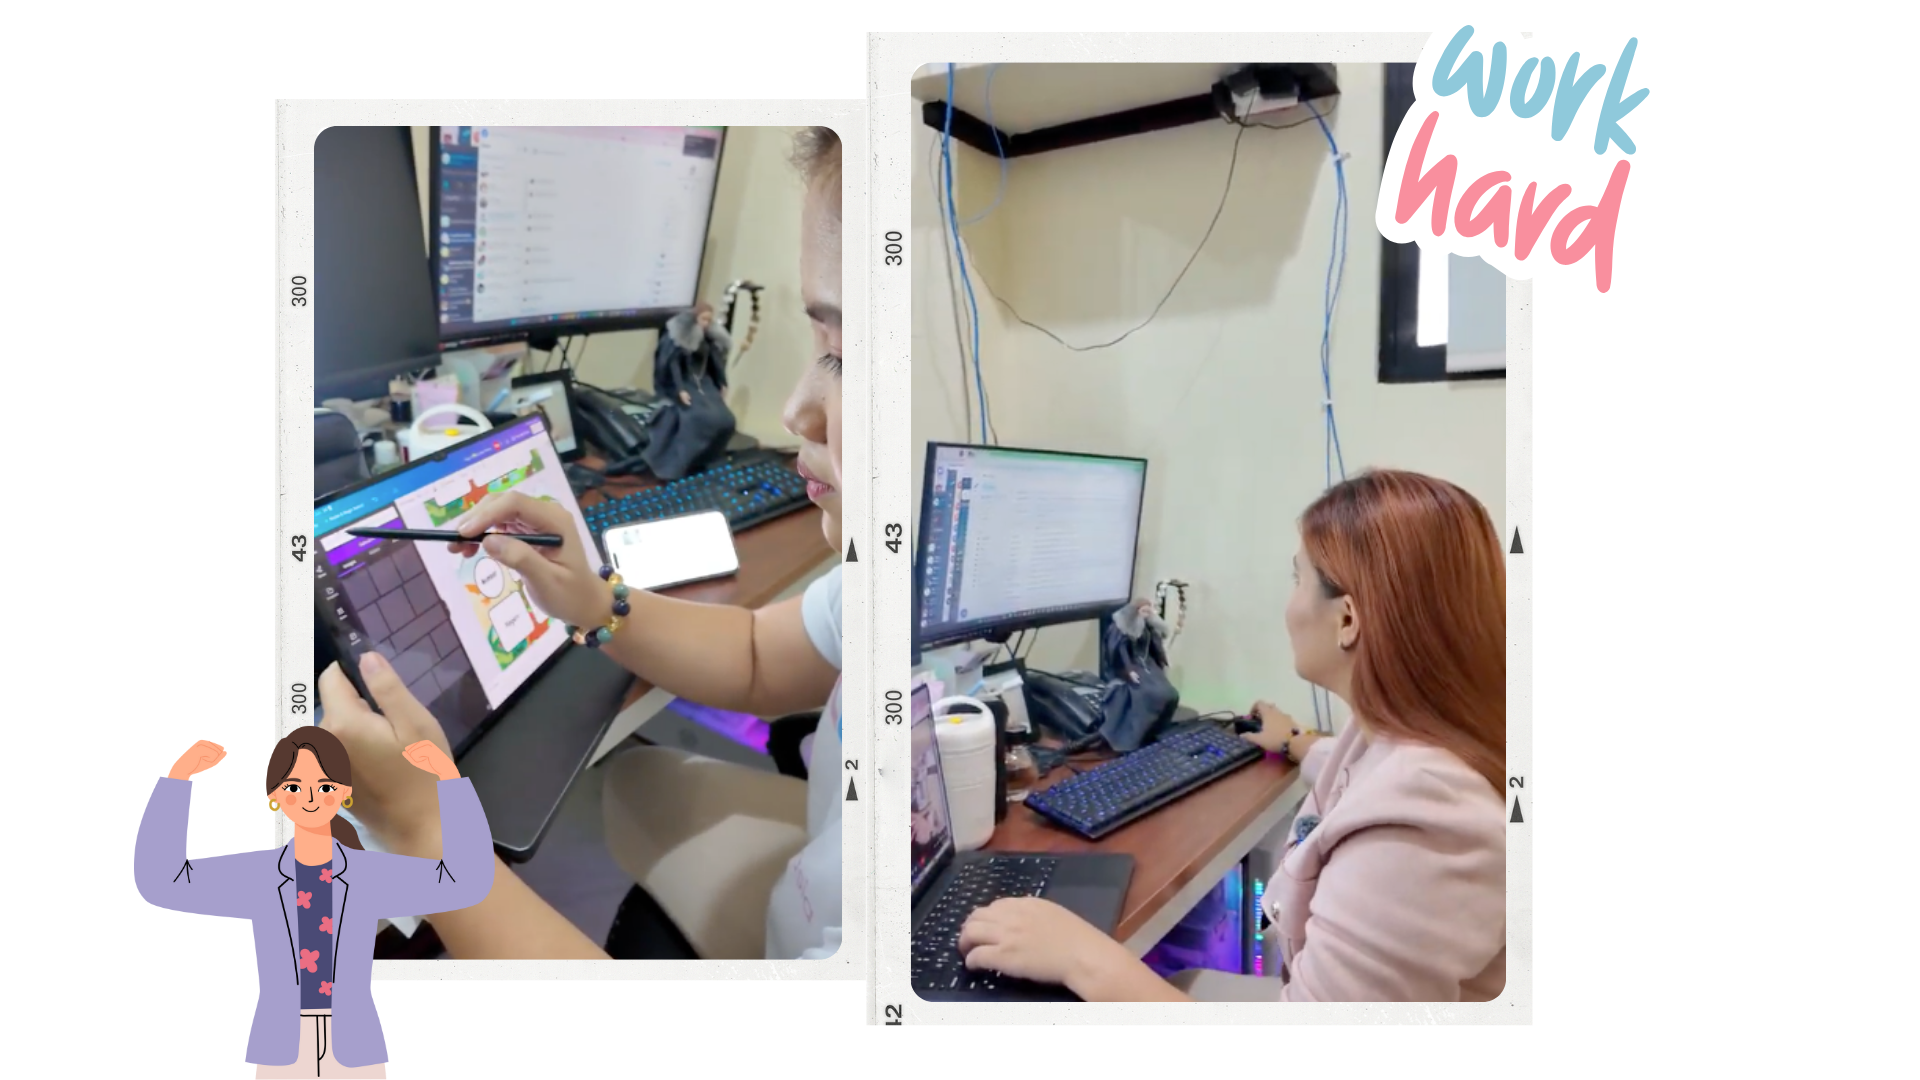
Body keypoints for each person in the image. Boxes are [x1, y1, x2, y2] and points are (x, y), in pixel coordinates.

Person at [317, 126, 845, 962]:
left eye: (844, 358)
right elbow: (755, 655)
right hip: (815, 887)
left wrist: (426, 833)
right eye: (818, 347)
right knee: (632, 779)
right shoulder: (889, 584)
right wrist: (600, 604)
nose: (794, 409)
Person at [958, 469, 1508, 1002]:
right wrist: (1292, 739)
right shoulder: (1410, 738)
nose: (1290, 604)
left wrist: (1082, 954)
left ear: (1347, 621)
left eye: (1298, 578)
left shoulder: (1421, 826)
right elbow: (1356, 774)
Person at [127, 727, 493, 1077]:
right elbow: (163, 883)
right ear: (275, 795)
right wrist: (175, 785)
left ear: (343, 792)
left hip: (355, 1047)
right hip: (281, 1048)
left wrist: (449, 780)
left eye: (324, 786)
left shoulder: (367, 875)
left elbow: (464, 880)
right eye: (294, 786)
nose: (311, 798)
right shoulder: (259, 875)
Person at [655, 300, 731, 408]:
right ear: (695, 318)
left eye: (709, 320)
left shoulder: (710, 338)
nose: (706, 324)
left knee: (724, 417)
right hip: (685, 381)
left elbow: (716, 361)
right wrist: (681, 390)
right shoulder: (683, 338)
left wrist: (723, 383)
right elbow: (674, 364)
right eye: (703, 319)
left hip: (703, 380)